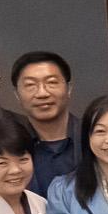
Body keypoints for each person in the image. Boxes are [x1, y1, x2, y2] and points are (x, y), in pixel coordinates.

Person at [13, 52, 84, 189]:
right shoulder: (11, 147)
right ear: (17, 94)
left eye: (51, 82)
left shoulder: (93, 137)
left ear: (69, 88)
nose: (42, 93)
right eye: (30, 85)